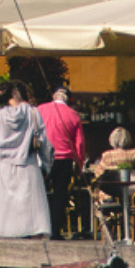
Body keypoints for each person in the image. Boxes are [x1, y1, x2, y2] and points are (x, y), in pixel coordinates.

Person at [0, 82, 50, 239]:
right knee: (32, 214)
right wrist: (46, 166)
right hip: (28, 165)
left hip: (5, 167)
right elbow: (44, 144)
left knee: (5, 209)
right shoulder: (32, 113)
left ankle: (4, 237)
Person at [37, 87, 88, 238]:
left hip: (42, 157)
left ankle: (39, 229)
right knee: (60, 195)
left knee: (40, 193)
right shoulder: (74, 115)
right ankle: (55, 231)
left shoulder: (40, 109)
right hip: (64, 159)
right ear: (69, 99)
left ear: (54, 96)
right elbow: (79, 144)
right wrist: (79, 164)